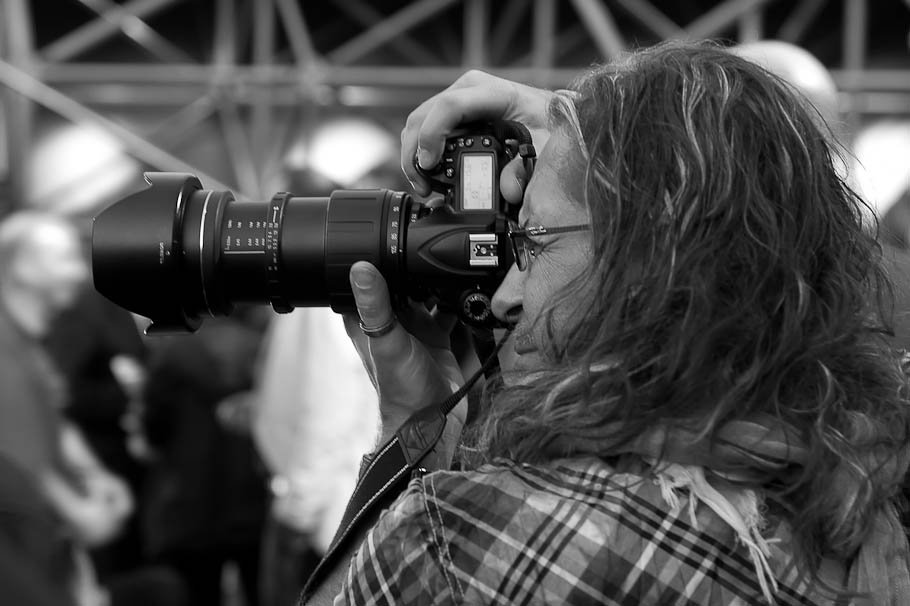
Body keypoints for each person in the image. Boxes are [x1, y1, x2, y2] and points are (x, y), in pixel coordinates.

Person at [312, 41, 910, 604]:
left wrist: (410, 433)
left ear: (651, 266)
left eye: (533, 241)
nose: (503, 299)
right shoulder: (862, 501)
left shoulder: (458, 542)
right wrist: (601, 144)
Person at [0, 210, 133, 605]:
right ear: (22, 268)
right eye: (64, 259)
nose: (79, 273)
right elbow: (17, 457)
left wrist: (95, 476)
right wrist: (78, 511)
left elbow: (56, 422)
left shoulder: (30, 343)